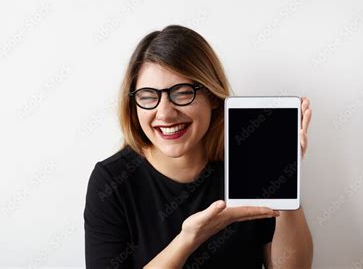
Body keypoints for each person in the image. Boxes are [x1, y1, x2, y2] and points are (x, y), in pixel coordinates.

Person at [84, 25, 313, 268]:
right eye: (149, 96)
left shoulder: (249, 163)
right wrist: (188, 239)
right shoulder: (112, 182)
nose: (165, 113)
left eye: (182, 93)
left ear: (213, 96)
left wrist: (287, 186)